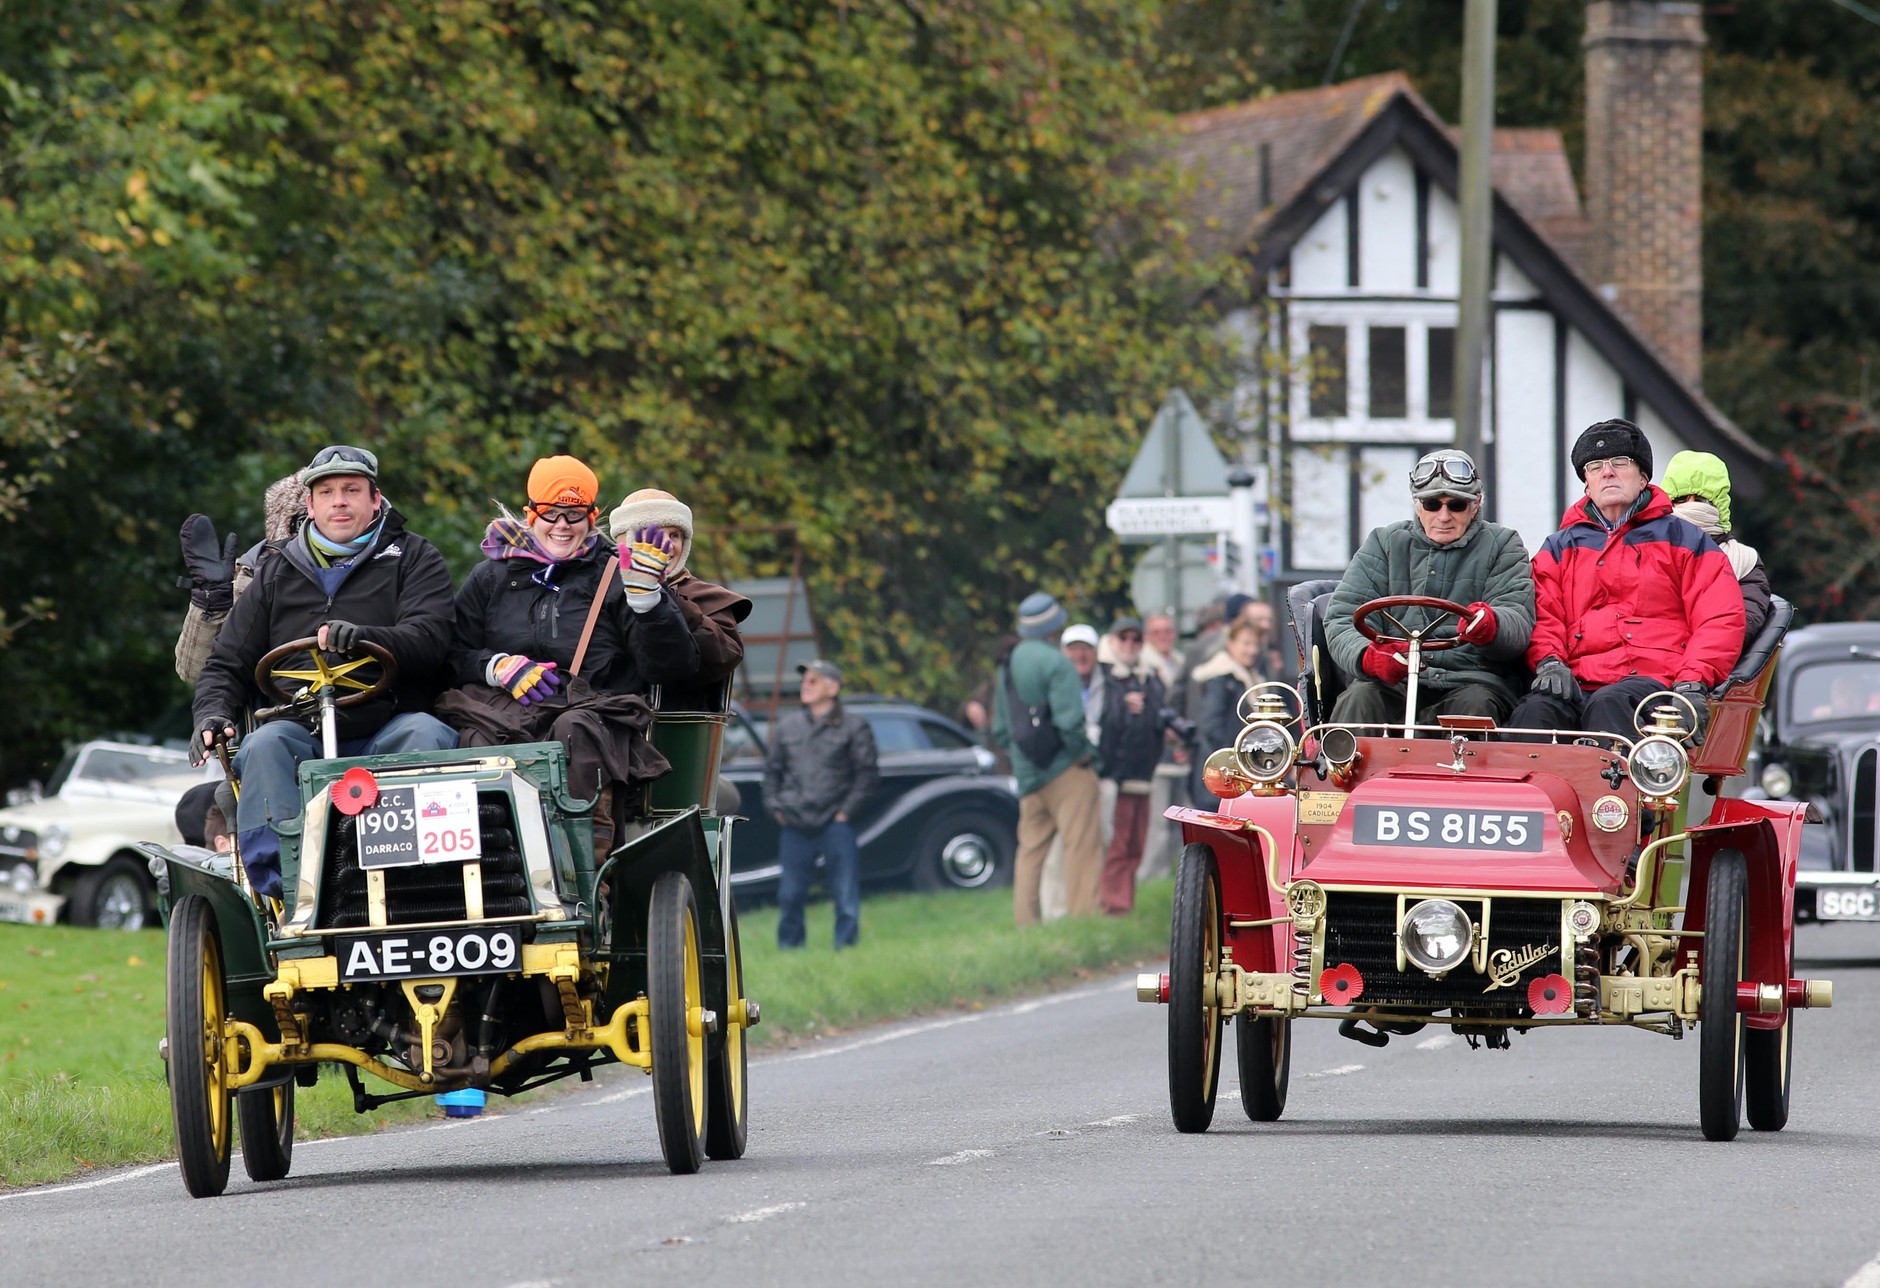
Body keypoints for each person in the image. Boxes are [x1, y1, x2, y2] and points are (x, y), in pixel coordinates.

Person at [190, 445, 460, 899]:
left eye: (352, 490)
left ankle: (420, 884)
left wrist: (368, 637)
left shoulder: (415, 558)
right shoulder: (275, 573)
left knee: (427, 734)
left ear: (375, 500)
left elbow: (432, 637)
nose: (340, 501)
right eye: (328, 492)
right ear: (309, 505)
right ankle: (291, 892)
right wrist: (212, 715)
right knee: (262, 744)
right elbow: (227, 663)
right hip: (300, 732)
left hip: (387, 724)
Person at [440, 456, 700, 858]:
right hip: (505, 712)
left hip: (595, 712)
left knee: (576, 728)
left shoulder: (617, 573)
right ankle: (487, 863)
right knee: (470, 737)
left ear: (592, 517)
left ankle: (583, 868)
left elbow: (670, 668)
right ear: (531, 515)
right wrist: (495, 668)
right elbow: (451, 652)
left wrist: (649, 601)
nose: (562, 525)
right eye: (551, 513)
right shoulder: (490, 577)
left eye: (574, 515)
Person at [1510, 420, 1745, 739]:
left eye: (1620, 463)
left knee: (1610, 703)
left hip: (1653, 686)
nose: (1607, 472)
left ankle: (1613, 792)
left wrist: (1692, 681)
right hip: (1576, 683)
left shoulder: (1685, 541)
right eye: (1595, 467)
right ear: (1587, 484)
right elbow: (1542, 614)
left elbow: (1719, 617)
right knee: (1532, 712)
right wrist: (1550, 661)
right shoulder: (1559, 547)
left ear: (1643, 478)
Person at [1324, 448, 1535, 725]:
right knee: (1360, 700)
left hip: (1471, 681)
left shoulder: (1503, 545)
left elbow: (1517, 617)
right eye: (1432, 504)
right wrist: (1369, 657)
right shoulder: (1384, 543)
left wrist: (1491, 625)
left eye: (1456, 505)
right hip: (1392, 682)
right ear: (1416, 504)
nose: (1443, 516)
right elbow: (1343, 617)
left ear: (1476, 504)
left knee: (1475, 707)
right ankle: (1342, 767)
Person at [991, 592, 1104, 925]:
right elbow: (1070, 723)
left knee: (1029, 853)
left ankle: (1026, 925)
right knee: (1081, 848)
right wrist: (1083, 756)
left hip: (1028, 774)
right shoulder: (1057, 662)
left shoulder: (1008, 663)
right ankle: (1083, 923)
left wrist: (1021, 761)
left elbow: (1000, 728)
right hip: (1065, 771)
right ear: (1055, 625)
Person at [764, 659, 879, 949]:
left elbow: (866, 775)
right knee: (790, 893)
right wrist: (776, 808)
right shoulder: (788, 726)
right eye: (804, 680)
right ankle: (789, 951)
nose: (805, 685)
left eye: (813, 680)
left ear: (834, 687)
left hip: (835, 822)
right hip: (794, 821)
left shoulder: (855, 726)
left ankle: (846, 948)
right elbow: (771, 773)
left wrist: (845, 813)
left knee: (844, 892)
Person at [606, 487, 752, 687]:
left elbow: (724, 657)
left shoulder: (708, 598)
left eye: (674, 535)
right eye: (654, 535)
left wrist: (662, 597)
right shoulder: (599, 593)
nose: (667, 545)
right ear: (628, 542)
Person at [175, 474, 310, 684]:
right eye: (304, 521)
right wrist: (212, 602)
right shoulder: (251, 576)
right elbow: (195, 673)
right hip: (273, 709)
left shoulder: (375, 569)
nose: (316, 532)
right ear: (286, 526)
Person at [1658, 451, 1772, 650]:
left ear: (1719, 503)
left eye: (1701, 500)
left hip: (1709, 669)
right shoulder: (1644, 549)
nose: (1691, 507)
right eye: (1681, 499)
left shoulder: (1744, 561)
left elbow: (1742, 625)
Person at [1096, 616, 1166, 915]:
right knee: (1117, 844)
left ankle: (1124, 904)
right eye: (1123, 638)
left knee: (1135, 845)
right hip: (1115, 774)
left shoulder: (1148, 677)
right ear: (1112, 641)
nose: (1129, 644)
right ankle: (1112, 905)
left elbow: (1159, 717)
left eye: (1135, 639)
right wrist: (1124, 705)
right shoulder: (1104, 675)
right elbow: (1102, 719)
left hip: (1143, 773)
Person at [1189, 619, 1262, 809]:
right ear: (1231, 644)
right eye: (1246, 643)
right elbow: (1212, 727)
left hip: (1240, 777)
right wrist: (1235, 764)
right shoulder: (1221, 679)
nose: (1252, 650)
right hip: (1224, 779)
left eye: (1255, 644)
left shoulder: (1251, 678)